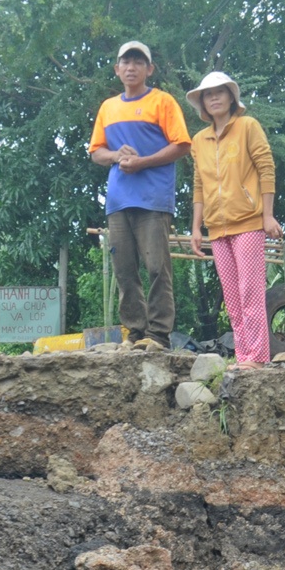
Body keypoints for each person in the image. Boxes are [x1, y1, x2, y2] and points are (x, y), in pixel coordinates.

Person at [89, 41, 192, 347]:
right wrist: (116, 156)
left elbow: (182, 145)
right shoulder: (108, 107)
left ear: (150, 69)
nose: (131, 67)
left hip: (154, 199)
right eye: (126, 62)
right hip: (118, 200)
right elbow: (96, 152)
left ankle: (158, 335)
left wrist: (142, 162)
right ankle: (135, 333)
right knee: (124, 270)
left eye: (138, 62)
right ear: (117, 69)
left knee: (157, 267)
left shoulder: (162, 102)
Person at [187, 70, 281, 370]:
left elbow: (266, 168)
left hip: (249, 223)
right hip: (217, 228)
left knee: (250, 291)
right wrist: (195, 227)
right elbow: (199, 184)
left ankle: (257, 357)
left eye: (219, 91)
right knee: (231, 296)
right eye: (207, 93)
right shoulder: (199, 140)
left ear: (231, 96)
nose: (213, 97)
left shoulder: (247, 126)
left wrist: (267, 215)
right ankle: (243, 356)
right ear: (202, 102)